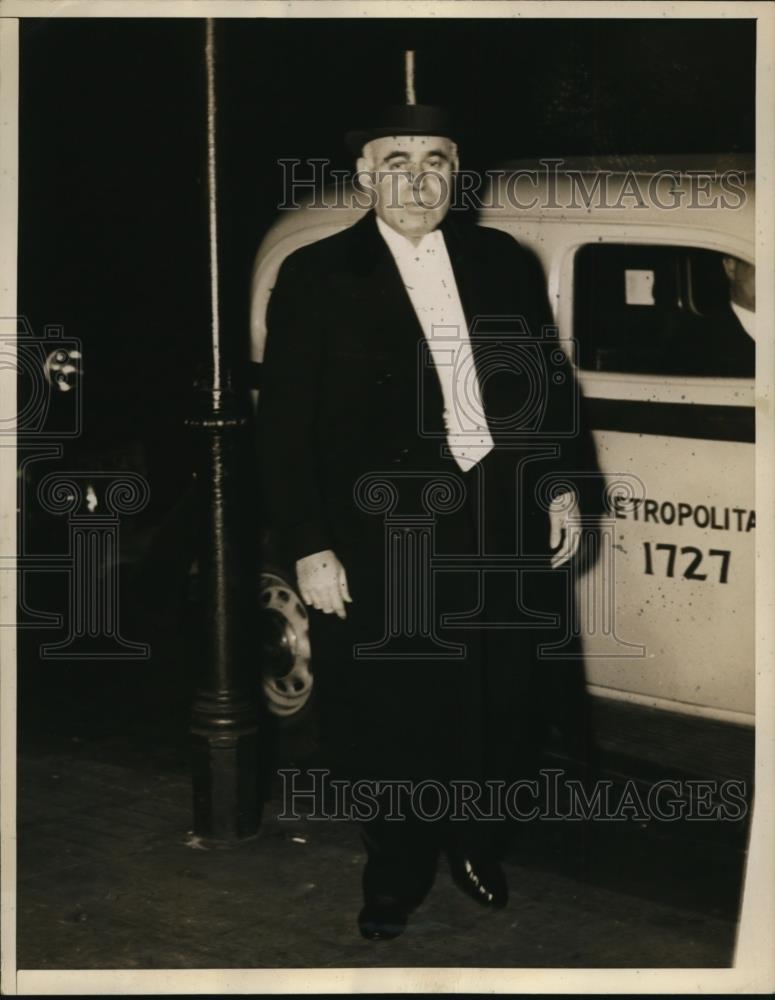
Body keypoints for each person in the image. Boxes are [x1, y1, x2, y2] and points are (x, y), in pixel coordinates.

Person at [256, 105, 595, 940]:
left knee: (502, 696)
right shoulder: (316, 273)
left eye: (436, 160)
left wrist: (558, 486)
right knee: (394, 708)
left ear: (456, 171)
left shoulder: (497, 260)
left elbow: (544, 384)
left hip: (496, 517)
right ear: (366, 176)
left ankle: (477, 842)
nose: (418, 178)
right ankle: (397, 866)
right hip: (385, 535)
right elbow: (286, 426)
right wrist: (308, 545)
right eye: (397, 160)